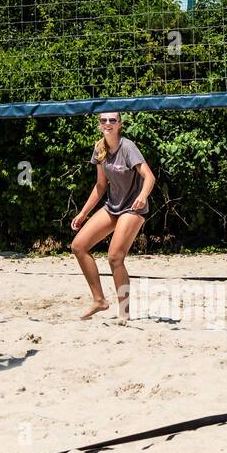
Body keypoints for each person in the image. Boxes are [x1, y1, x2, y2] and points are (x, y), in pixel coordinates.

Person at [69, 112, 155, 321]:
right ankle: (99, 300)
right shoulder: (100, 148)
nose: (107, 123)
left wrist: (143, 196)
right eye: (103, 120)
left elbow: (149, 176)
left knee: (115, 257)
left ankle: (124, 312)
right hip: (113, 206)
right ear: (99, 124)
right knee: (78, 246)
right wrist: (83, 213)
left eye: (112, 120)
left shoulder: (128, 147)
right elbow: (100, 186)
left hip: (133, 208)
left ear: (120, 124)